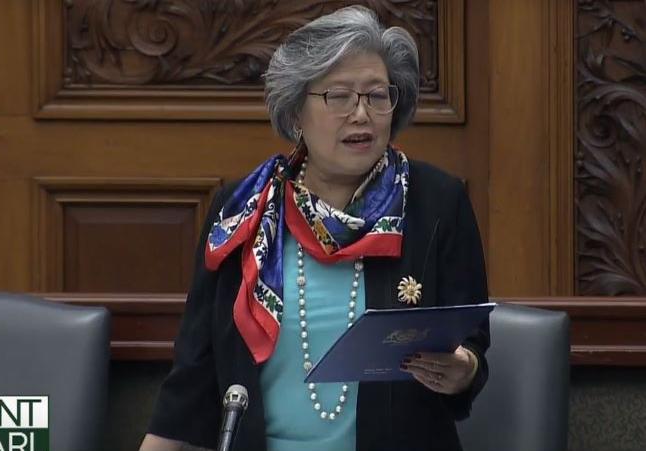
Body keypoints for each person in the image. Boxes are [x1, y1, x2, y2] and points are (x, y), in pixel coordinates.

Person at [140, 5, 489, 451]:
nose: (361, 114)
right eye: (338, 96)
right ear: (296, 112)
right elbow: (192, 382)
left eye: (377, 95)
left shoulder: (436, 202)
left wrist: (464, 370)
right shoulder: (243, 210)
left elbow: (472, 346)